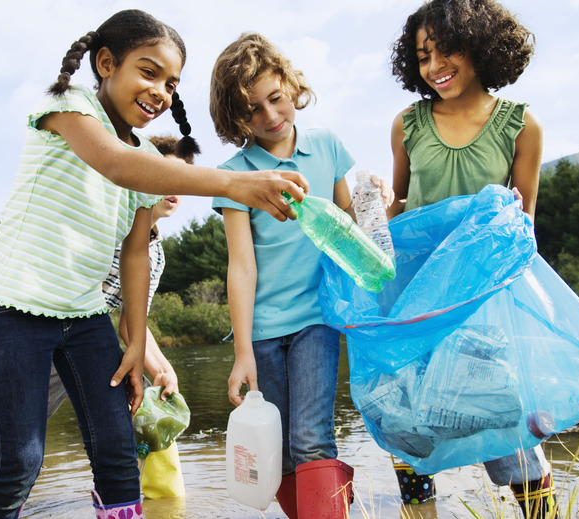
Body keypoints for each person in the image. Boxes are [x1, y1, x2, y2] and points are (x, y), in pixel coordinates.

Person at [0, 10, 308, 519]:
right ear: (106, 63)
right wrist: (233, 183)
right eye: (149, 72)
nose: (162, 92)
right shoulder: (67, 104)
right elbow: (112, 161)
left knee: (118, 455)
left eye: (172, 83)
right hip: (17, 309)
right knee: (18, 459)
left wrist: (135, 344)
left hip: (85, 318)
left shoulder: (141, 154)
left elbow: (135, 252)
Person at [0, 135, 195, 519]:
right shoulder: (109, 220)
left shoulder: (153, 255)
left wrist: (158, 367)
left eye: (184, 180)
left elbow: (130, 321)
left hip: (87, 343)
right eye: (166, 174)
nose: (174, 189)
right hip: (35, 330)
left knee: (112, 443)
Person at [209, 33, 391, 519]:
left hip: (317, 317)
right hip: (264, 331)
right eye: (251, 110)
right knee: (280, 451)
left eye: (276, 98)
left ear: (291, 86)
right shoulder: (235, 174)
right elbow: (241, 266)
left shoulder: (327, 146)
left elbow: (352, 229)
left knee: (310, 439)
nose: (269, 116)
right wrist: (242, 351)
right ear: (234, 118)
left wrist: (377, 196)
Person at [386, 1, 555, 518]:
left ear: (482, 44)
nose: (434, 65)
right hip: (413, 295)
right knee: (406, 414)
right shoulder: (407, 124)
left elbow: (522, 221)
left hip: (481, 296)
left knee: (502, 412)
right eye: (422, 55)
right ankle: (421, 513)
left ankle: (545, 511)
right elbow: (397, 208)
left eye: (447, 49)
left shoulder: (521, 126)